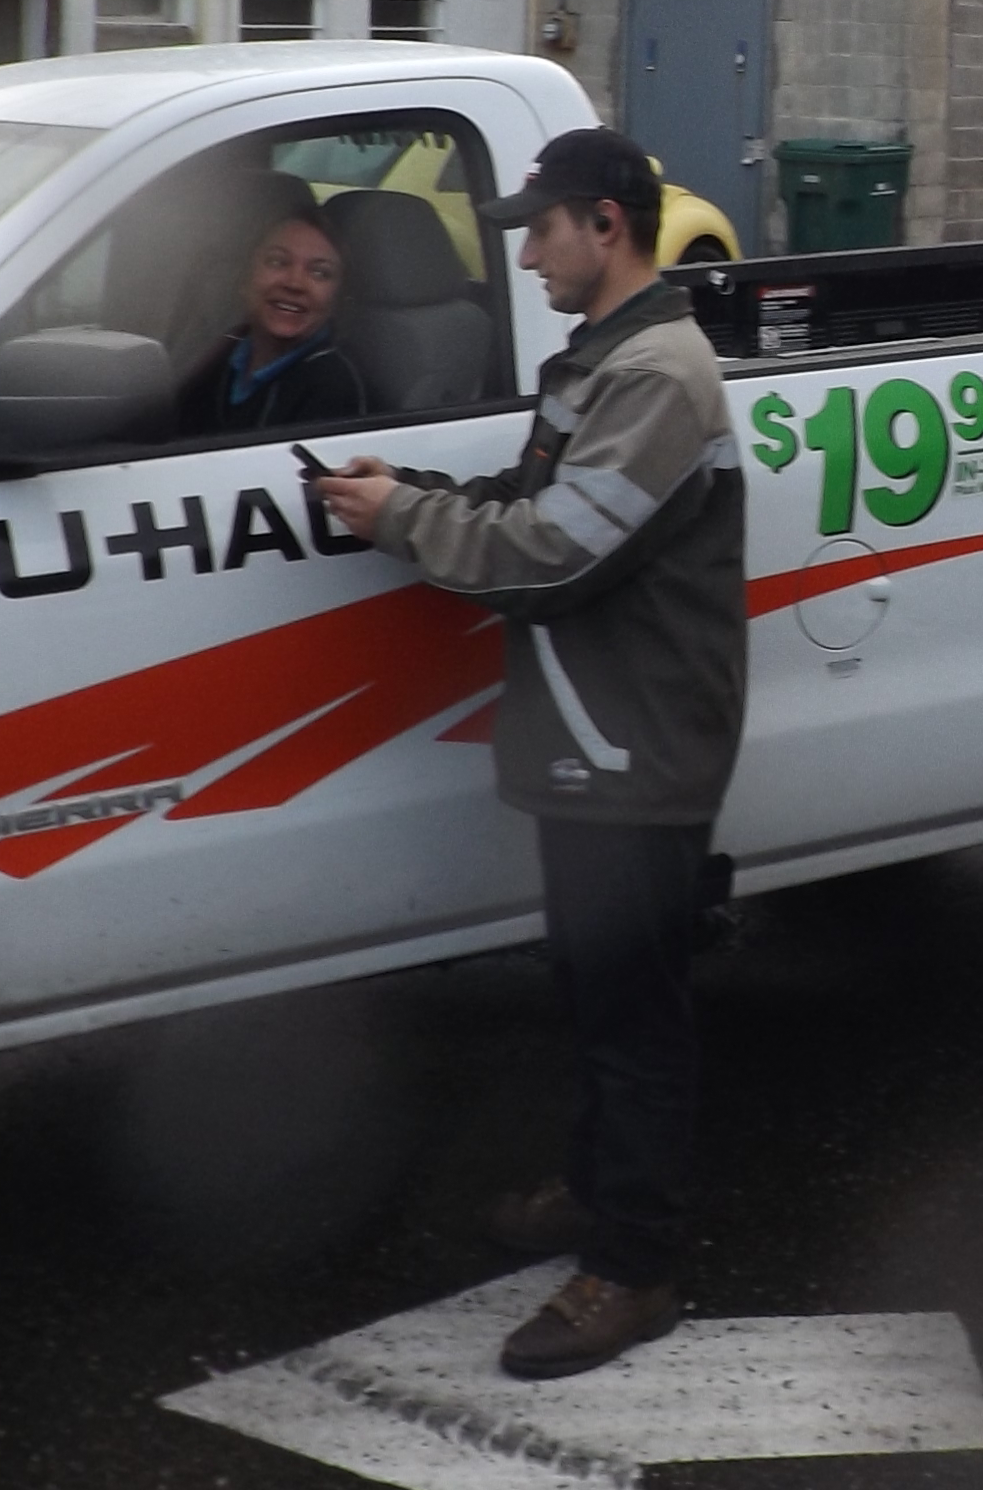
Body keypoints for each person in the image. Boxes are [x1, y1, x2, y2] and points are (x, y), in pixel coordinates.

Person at [310, 128, 745, 1381]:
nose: (526, 254)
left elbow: (555, 553)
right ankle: (602, 1190)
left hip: (634, 743)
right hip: (594, 734)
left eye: (541, 229)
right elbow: (532, 496)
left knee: (633, 1017)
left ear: (605, 224)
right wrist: (411, 485)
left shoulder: (657, 375)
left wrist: (404, 520)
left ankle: (634, 1267)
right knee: (595, 992)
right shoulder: (605, 358)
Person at [185, 210, 372, 436]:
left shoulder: (334, 387)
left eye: (320, 273)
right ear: (245, 277)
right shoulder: (220, 352)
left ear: (338, 298)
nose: (294, 283)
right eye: (278, 262)